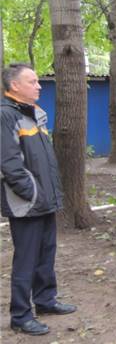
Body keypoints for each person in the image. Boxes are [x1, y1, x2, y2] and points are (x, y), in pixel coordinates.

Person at [1, 63, 77, 336]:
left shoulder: (35, 115)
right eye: (32, 81)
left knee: (46, 255)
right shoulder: (6, 116)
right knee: (26, 260)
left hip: (45, 201)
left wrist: (48, 194)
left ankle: (45, 301)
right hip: (27, 204)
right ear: (14, 87)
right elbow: (9, 164)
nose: (39, 85)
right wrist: (32, 193)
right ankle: (20, 315)